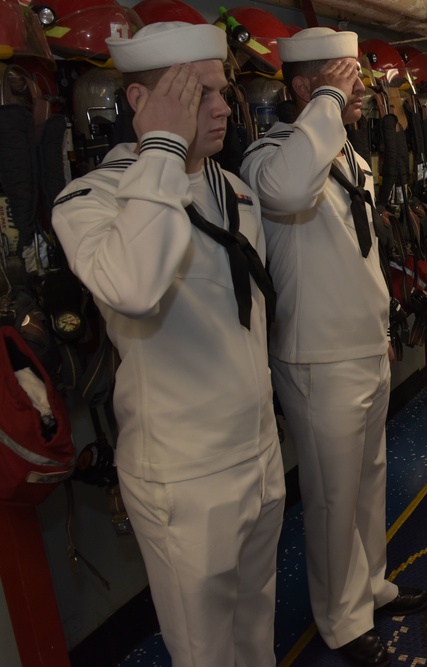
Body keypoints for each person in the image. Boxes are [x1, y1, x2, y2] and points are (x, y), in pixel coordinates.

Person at [51, 21, 285, 667]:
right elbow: (135, 285)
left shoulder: (231, 189)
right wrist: (159, 144)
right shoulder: (93, 201)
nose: (220, 107)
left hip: (258, 452)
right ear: (138, 104)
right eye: (195, 93)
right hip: (185, 476)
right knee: (206, 652)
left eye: (222, 90)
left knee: (254, 631)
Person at [240, 28, 427, 667]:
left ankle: (370, 585)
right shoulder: (271, 160)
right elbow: (292, 192)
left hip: (363, 346)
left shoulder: (350, 158)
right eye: (342, 78)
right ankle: (341, 621)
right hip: (316, 358)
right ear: (302, 89)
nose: (357, 91)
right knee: (330, 497)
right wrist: (324, 101)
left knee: (369, 481)